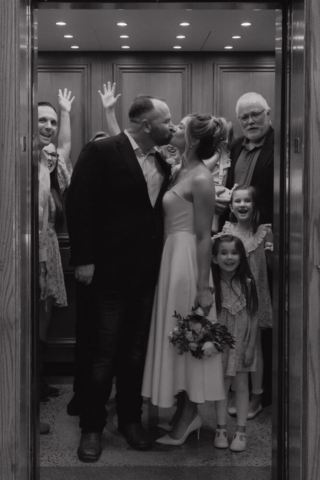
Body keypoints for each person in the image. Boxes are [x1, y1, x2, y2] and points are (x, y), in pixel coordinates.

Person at [66, 95, 175, 461]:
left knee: (135, 352)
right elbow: (77, 204)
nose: (171, 126)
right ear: (146, 125)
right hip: (107, 274)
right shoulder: (102, 151)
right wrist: (83, 260)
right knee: (103, 353)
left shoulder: (160, 159)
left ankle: (131, 420)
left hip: (145, 275)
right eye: (166, 120)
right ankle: (93, 428)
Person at [141, 113, 226, 446]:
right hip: (171, 256)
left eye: (180, 126)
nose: (174, 127)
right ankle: (180, 413)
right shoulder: (181, 170)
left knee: (190, 334)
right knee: (175, 337)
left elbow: (205, 236)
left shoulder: (201, 178)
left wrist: (204, 287)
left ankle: (190, 416)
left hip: (188, 261)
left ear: (190, 139)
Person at [215, 92, 274, 409]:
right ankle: (238, 389)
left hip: (265, 243)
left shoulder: (282, 146)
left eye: (255, 114)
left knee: (259, 327)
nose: (250, 121)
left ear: (268, 113)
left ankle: (259, 395)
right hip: (234, 244)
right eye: (244, 117)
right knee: (234, 322)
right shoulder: (234, 146)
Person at [221, 185, 273, 420]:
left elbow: (272, 267)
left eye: (247, 201)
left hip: (255, 299)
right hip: (231, 299)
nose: (242, 205)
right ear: (231, 207)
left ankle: (257, 395)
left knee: (256, 346)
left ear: (255, 206)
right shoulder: (227, 230)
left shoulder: (265, 233)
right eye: (237, 201)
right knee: (232, 344)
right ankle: (236, 391)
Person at [38, 90, 74, 401]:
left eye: (52, 121)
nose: (48, 126)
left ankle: (36, 380)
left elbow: (64, 147)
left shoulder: (49, 159)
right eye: (42, 121)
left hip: (48, 243)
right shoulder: (21, 160)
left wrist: (66, 112)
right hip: (29, 248)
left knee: (44, 316)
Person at [212, 234, 259, 452]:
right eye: (223, 252)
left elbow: (254, 316)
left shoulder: (248, 283)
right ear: (214, 258)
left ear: (241, 256)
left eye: (234, 252)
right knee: (221, 387)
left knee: (241, 386)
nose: (229, 257)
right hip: (219, 346)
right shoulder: (211, 284)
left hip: (242, 344)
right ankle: (221, 429)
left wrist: (250, 347)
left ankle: (241, 431)